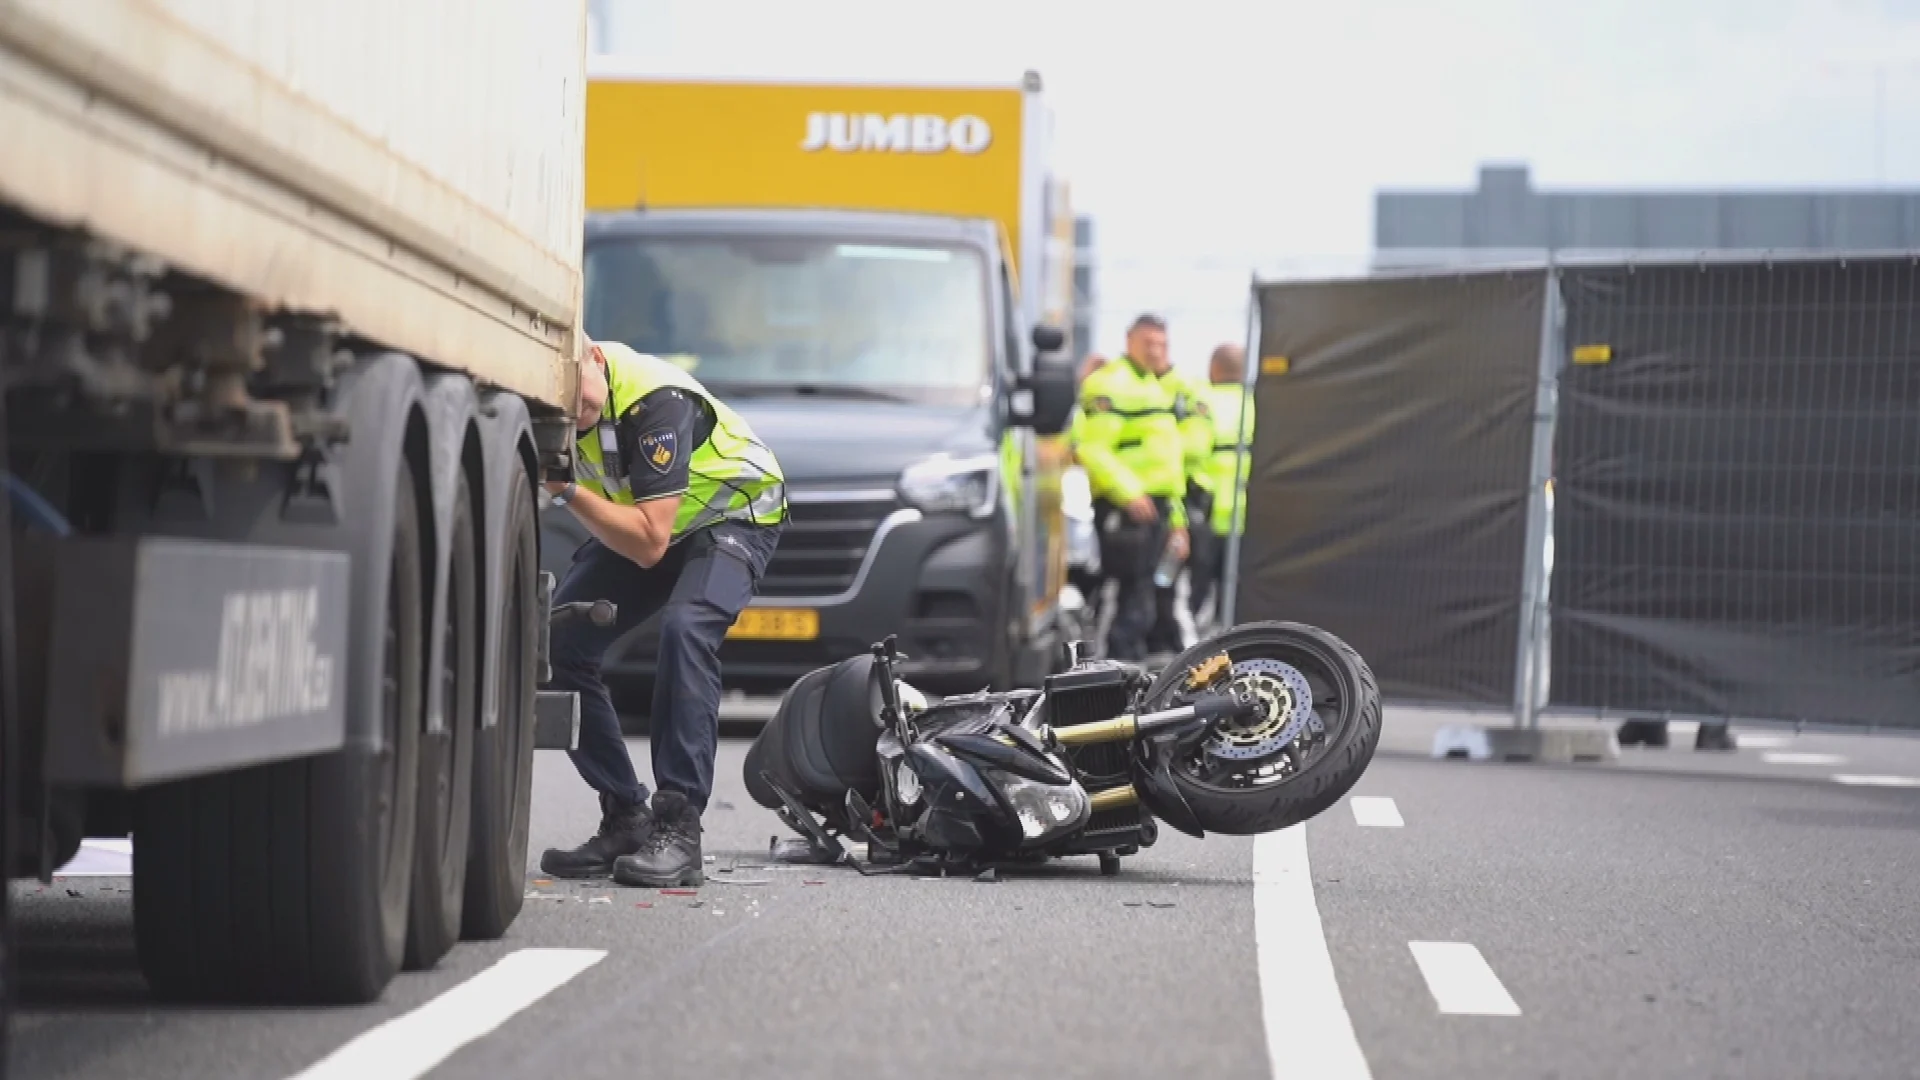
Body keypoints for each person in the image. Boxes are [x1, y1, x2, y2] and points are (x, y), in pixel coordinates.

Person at [539, 338, 788, 887]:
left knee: (685, 629)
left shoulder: (655, 403)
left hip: (733, 516)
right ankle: (626, 815)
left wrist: (564, 491)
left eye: (581, 398)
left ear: (597, 360)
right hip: (663, 523)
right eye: (564, 408)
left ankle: (680, 830)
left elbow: (649, 541)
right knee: (557, 643)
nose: (575, 412)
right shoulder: (552, 411)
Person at [1074, 315, 1190, 662]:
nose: (1156, 351)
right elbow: (1092, 449)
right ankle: (1114, 669)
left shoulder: (1156, 388)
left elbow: (1168, 465)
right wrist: (1129, 494)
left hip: (1159, 508)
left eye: (1162, 344)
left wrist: (1178, 519)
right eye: (1148, 343)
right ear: (1129, 341)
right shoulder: (1108, 384)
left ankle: (1140, 675)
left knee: (1156, 593)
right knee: (1130, 595)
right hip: (1126, 509)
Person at [1145, 357, 1217, 656]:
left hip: (1182, 501)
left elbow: (1195, 448)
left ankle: (1181, 644)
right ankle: (1176, 643)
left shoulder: (1186, 393)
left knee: (1173, 581)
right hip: (1172, 502)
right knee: (1169, 581)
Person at [1188, 344, 1253, 627]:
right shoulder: (1257, 403)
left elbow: (1192, 450)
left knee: (1198, 588)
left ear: (1214, 368)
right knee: (1235, 590)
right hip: (1246, 514)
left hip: (1209, 510)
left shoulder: (1204, 400)